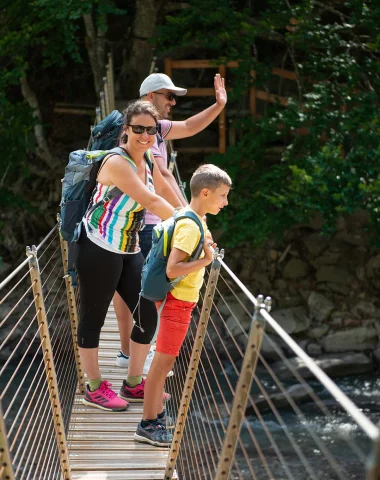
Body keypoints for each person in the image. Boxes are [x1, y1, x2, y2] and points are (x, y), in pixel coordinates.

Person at [114, 72, 228, 383]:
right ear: (150, 97)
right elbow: (162, 175)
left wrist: (219, 105)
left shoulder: (156, 129)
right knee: (152, 291)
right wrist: (190, 216)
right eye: (169, 95)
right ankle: (141, 355)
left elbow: (191, 127)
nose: (173, 102)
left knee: (132, 290)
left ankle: (129, 352)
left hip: (137, 221)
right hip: (149, 222)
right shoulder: (143, 133)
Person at [74, 100, 183, 411]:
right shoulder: (117, 163)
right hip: (97, 247)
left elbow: (164, 191)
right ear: (126, 130)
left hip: (129, 247)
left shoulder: (147, 158)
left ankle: (133, 383)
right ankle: (93, 387)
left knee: (147, 314)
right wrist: (191, 229)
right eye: (138, 129)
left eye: (150, 130)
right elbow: (150, 200)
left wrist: (193, 217)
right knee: (93, 317)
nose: (145, 136)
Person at [134, 164, 231, 446]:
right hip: (178, 303)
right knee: (162, 365)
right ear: (205, 192)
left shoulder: (192, 218)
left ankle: (156, 414)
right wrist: (205, 261)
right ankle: (148, 424)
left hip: (177, 302)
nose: (225, 202)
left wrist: (205, 240)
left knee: (163, 363)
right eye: (223, 196)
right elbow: (173, 269)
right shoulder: (191, 225)